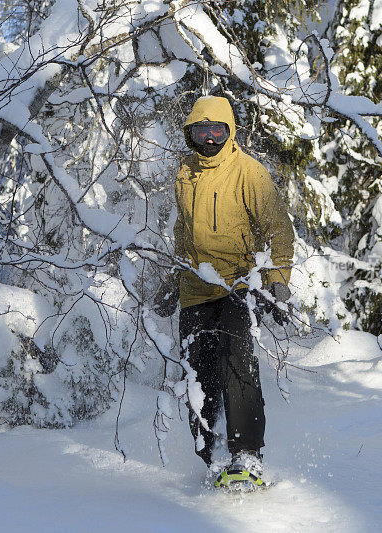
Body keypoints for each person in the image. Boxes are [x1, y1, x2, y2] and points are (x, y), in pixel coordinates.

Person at [154, 96, 294, 489]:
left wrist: (276, 280)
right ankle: (211, 455)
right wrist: (172, 278)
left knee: (237, 368)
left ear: (231, 131)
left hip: (237, 285)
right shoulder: (185, 172)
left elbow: (278, 228)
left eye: (218, 130)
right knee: (198, 374)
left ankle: (246, 454)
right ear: (190, 133)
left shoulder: (249, 172)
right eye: (202, 131)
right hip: (195, 288)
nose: (210, 139)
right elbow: (183, 231)